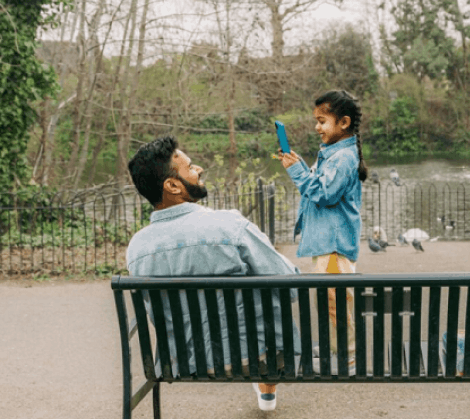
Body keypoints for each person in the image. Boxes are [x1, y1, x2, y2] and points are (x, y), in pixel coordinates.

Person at [126, 135, 300, 412]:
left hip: (182, 363)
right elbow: (291, 286)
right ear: (172, 185)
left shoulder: (137, 249)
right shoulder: (229, 225)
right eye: (190, 167)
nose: (199, 170)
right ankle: (266, 385)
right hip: (257, 356)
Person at [277, 90, 368, 372]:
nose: (317, 127)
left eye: (322, 121)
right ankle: (334, 347)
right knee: (329, 301)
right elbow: (317, 181)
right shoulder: (332, 153)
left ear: (343, 122)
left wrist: (297, 172)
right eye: (316, 121)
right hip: (327, 243)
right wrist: (299, 165)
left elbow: (324, 193)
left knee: (334, 304)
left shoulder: (342, 158)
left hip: (334, 244)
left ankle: (348, 358)